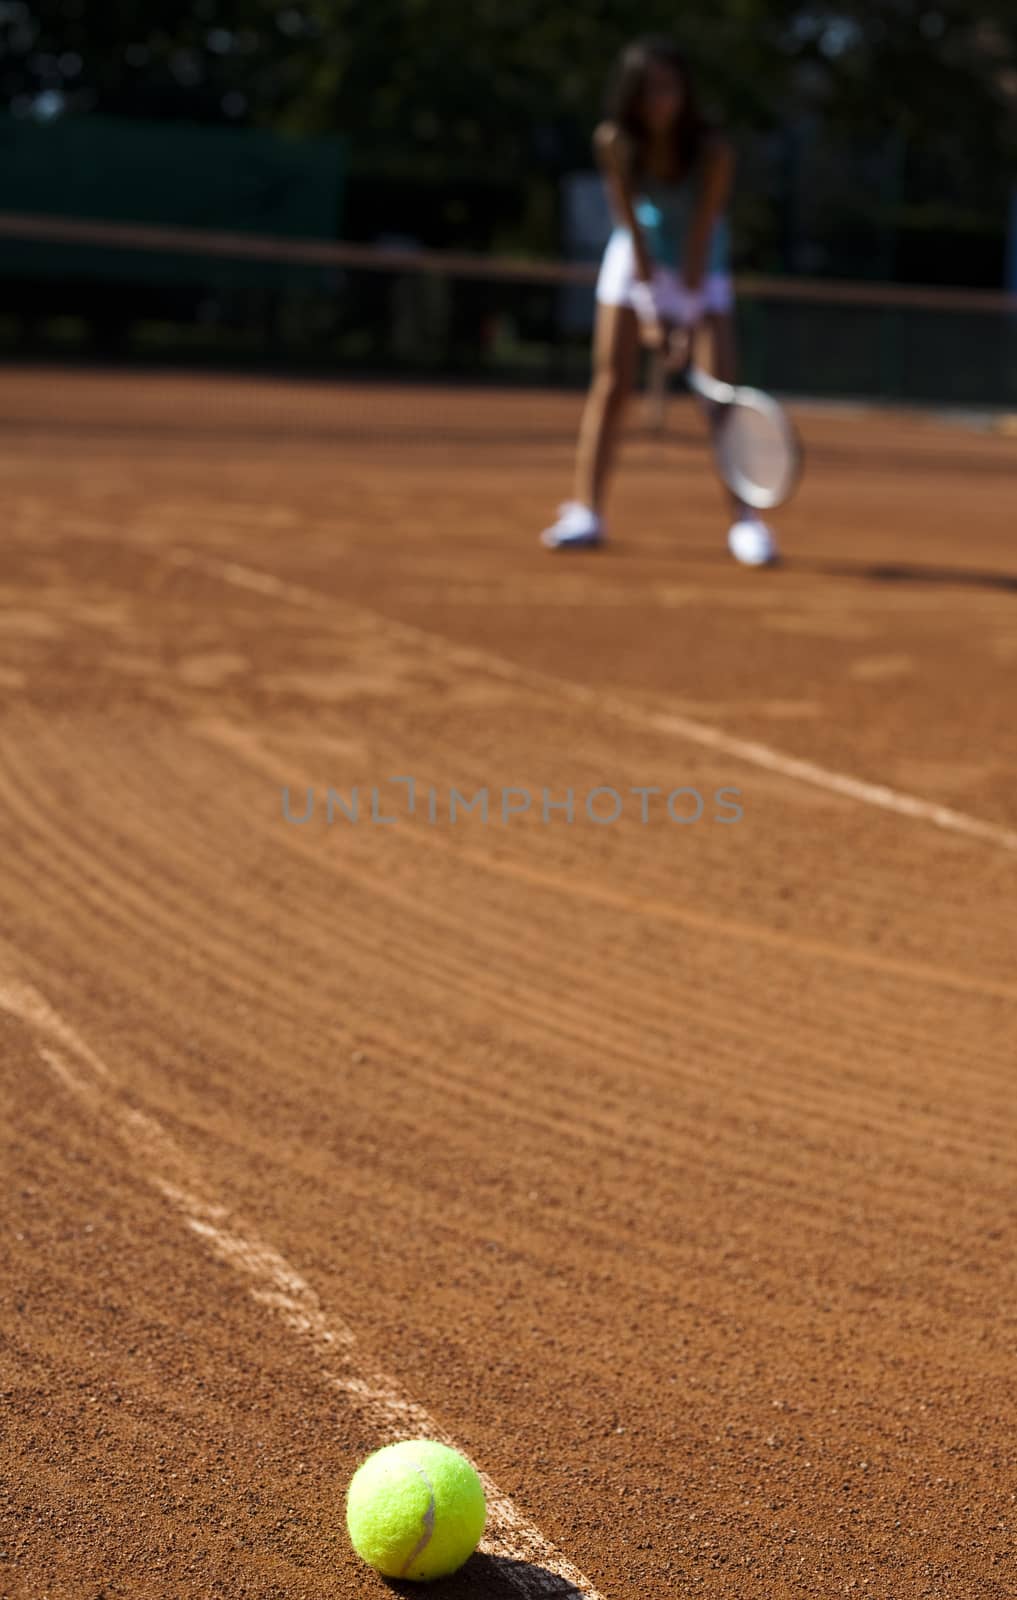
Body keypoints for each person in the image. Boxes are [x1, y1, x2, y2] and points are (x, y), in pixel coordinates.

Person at [542, 35, 778, 566]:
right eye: (649, 90)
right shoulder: (614, 141)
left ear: (685, 92)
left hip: (702, 262)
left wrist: (686, 319)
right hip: (638, 255)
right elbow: (629, 222)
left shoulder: (714, 151)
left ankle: (746, 521)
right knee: (611, 385)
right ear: (631, 94)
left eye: (669, 88)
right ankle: (587, 510)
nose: (660, 101)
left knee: (720, 398)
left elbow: (701, 232)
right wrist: (653, 309)